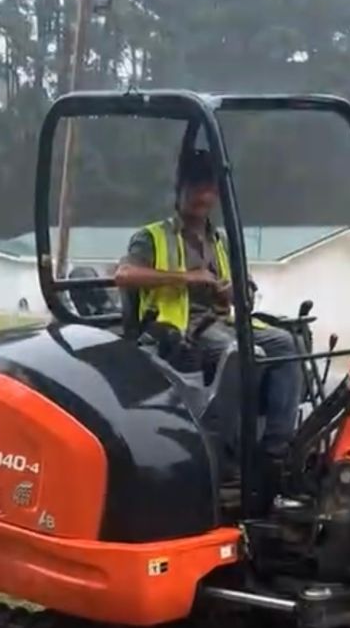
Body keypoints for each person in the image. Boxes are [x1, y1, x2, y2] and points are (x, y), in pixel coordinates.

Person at [115, 148, 303, 462]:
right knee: (241, 354)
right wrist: (186, 278)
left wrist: (234, 291)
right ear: (180, 190)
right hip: (176, 328)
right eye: (196, 189)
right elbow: (124, 275)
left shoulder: (221, 241)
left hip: (221, 323)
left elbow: (247, 288)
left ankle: (275, 450)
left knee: (288, 343)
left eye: (208, 190)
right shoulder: (152, 237)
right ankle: (226, 455)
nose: (203, 197)